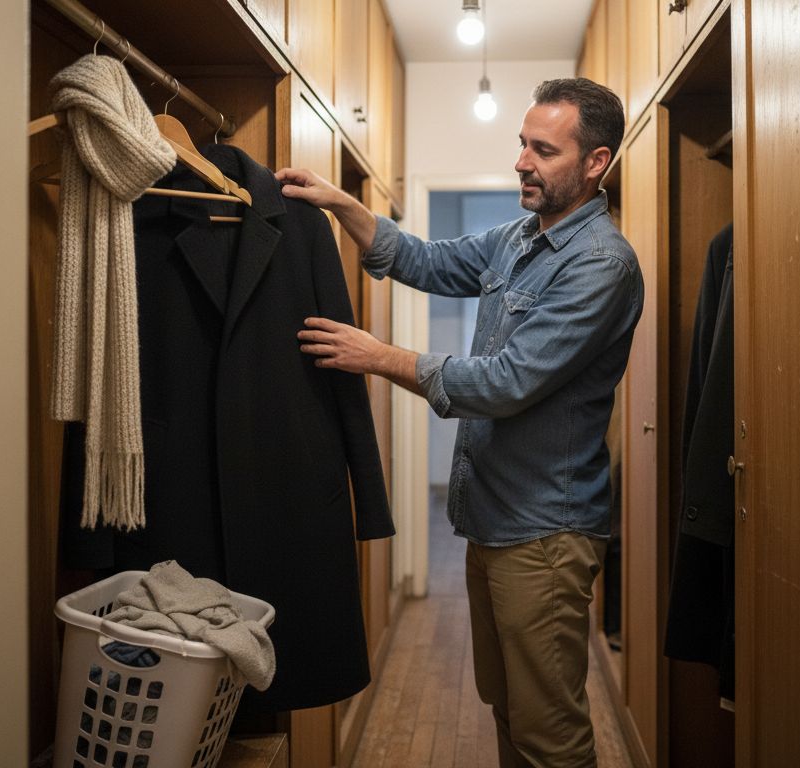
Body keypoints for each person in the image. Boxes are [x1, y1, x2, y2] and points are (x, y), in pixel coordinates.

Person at [276, 77, 642, 768]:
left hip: (546, 532)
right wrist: (344, 204)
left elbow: (506, 382)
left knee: (550, 734)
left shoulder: (601, 264)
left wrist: (378, 356)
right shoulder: (520, 237)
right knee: (506, 705)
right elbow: (429, 261)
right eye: (522, 144)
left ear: (596, 162)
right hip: (495, 520)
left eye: (543, 150)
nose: (522, 162)